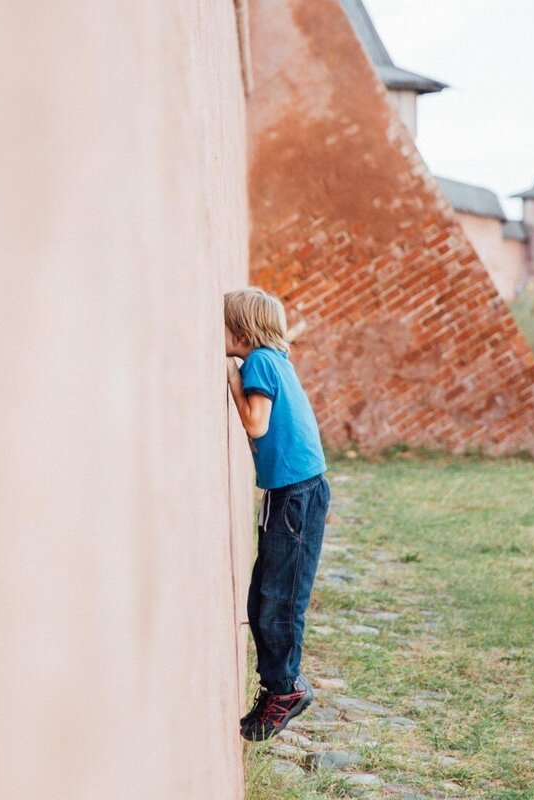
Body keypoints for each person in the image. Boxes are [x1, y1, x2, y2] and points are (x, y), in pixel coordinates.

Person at [224, 287, 331, 742]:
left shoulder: (261, 362)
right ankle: (278, 686)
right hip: (290, 491)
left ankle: (284, 689)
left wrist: (230, 372)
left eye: (223, 323)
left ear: (242, 329)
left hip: (295, 495)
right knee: (263, 599)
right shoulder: (272, 360)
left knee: (279, 600)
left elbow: (257, 424)